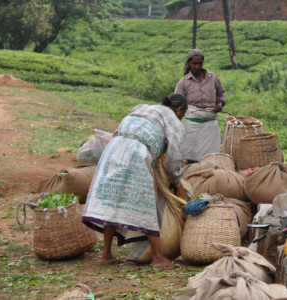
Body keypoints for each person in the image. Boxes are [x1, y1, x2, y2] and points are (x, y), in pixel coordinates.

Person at [82, 93, 188, 267]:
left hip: (114, 148)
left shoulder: (142, 108)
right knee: (146, 203)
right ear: (179, 110)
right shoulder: (175, 122)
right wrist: (175, 181)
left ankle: (106, 255)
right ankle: (158, 258)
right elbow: (173, 159)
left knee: (112, 200)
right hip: (137, 154)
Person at [175, 48, 225, 162]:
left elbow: (220, 95)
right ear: (188, 63)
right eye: (194, 63)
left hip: (210, 125)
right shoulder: (183, 83)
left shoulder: (212, 78)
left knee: (211, 158)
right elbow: (177, 103)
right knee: (188, 157)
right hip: (192, 125)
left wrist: (220, 104)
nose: (198, 66)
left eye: (200, 63)